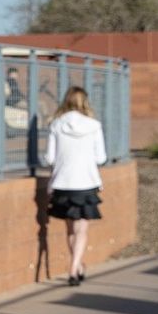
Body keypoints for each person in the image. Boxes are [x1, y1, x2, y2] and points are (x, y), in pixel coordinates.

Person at [44, 85, 107, 286]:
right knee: (82, 229)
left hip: (63, 182)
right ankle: (74, 267)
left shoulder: (56, 125)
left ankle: (76, 265)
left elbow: (49, 158)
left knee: (70, 228)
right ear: (85, 102)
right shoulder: (94, 125)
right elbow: (101, 157)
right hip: (86, 182)